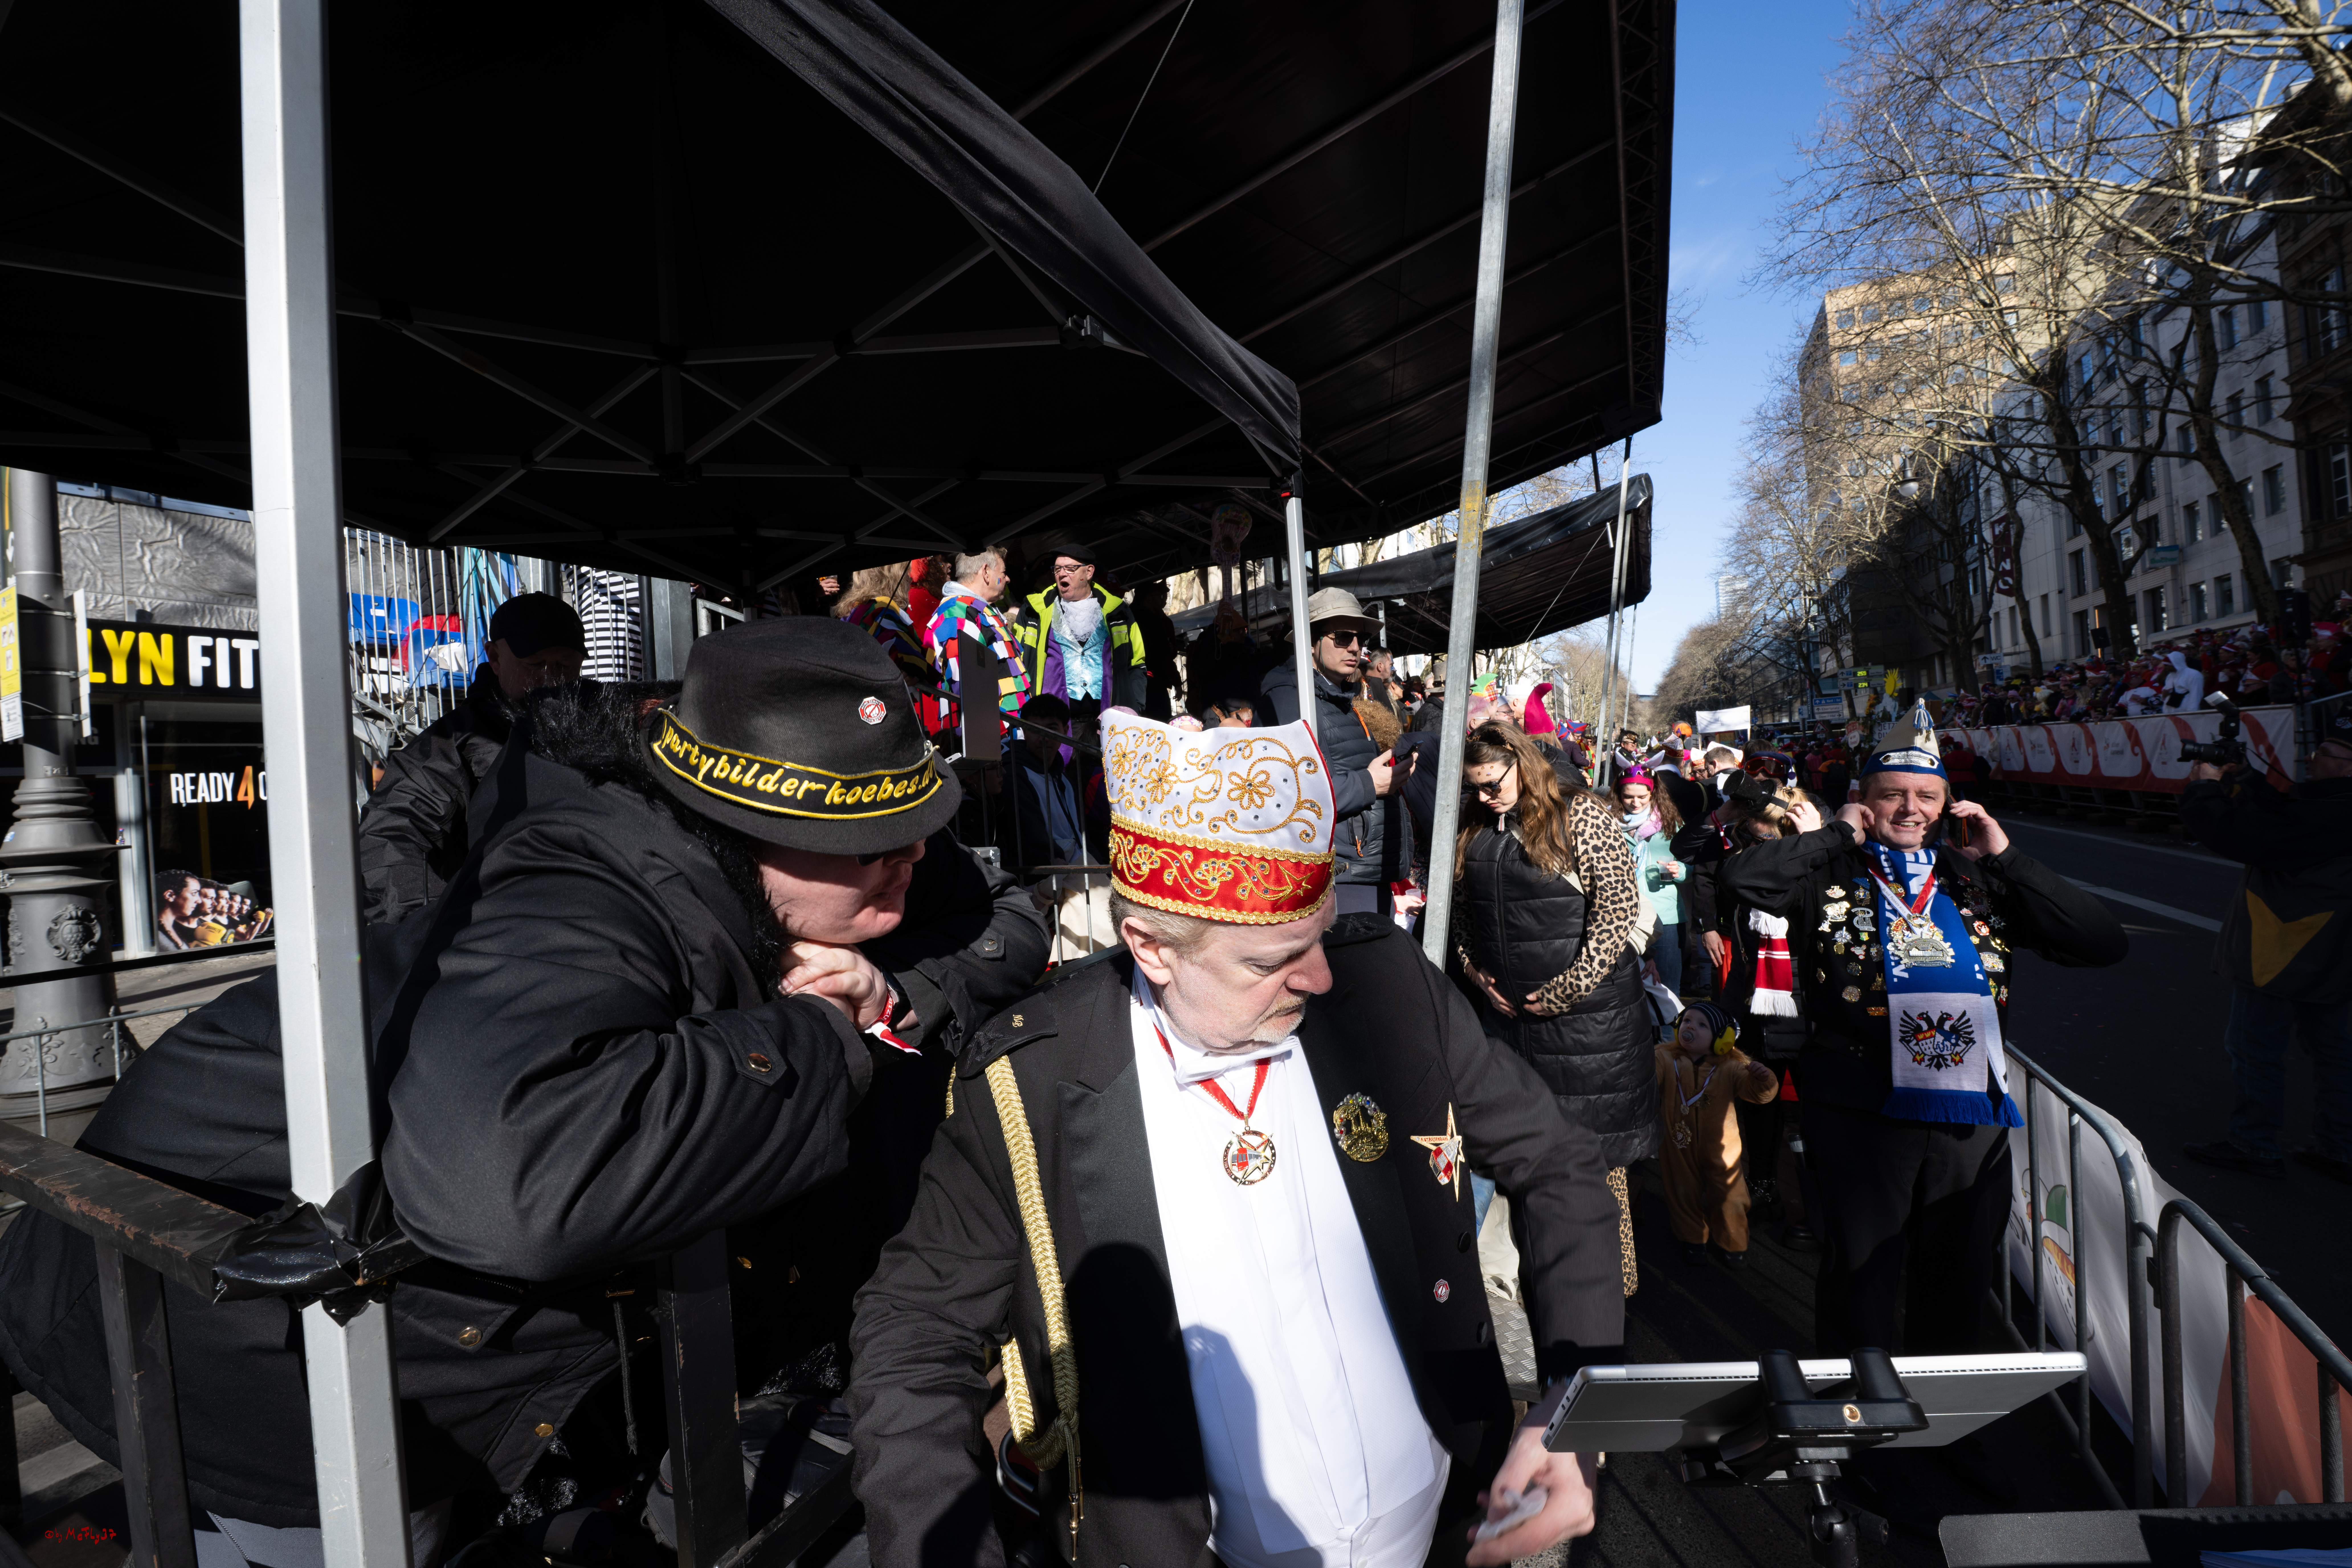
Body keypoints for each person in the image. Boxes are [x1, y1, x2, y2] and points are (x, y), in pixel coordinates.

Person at [0, 621, 1051, 1553]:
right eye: (859, 841)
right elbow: (517, 1186)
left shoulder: (835, 882)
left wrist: (899, 991)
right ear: (737, 826)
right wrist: (826, 1033)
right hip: (219, 1351)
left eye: (910, 820)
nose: (907, 852)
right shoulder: (587, 888)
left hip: (393, 1362)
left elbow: (998, 917)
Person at [848, 711, 1625, 1568]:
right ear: (1150, 946)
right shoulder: (1028, 1075)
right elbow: (913, 1331)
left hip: (1452, 1530)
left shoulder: (1386, 986)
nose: (1319, 976)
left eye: (1318, 934)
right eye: (1268, 962)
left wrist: (1572, 1415)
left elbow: (1559, 1164)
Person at [1718, 704, 2126, 1354]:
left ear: (1948, 805)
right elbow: (1741, 877)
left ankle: (1945, 1442)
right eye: (1892, 796)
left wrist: (2009, 856)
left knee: (1958, 1279)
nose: (1910, 809)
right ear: (1864, 802)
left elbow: (2102, 942)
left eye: (1926, 797)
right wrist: (1835, 835)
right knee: (1862, 1277)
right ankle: (1862, 1422)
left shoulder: (1975, 878)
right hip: (1860, 1102)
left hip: (1967, 1111)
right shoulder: (1829, 869)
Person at [1453, 720, 1654, 1299]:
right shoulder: (1475, 822)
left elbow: (1618, 907)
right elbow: (1461, 911)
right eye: (1476, 786)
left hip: (1592, 1030)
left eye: (1494, 782)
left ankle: (1611, 1301)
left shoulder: (1581, 815)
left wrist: (1571, 987)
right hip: (1513, 1026)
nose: (1486, 794)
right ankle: (1543, 1294)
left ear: (1522, 763)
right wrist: (1472, 969)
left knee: (1598, 1168)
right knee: (1529, 1160)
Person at [2179, 707, 2352, 1183]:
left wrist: (2204, 788)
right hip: (2332, 953)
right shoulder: (2332, 806)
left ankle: (2253, 1142)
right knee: (2334, 1048)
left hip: (2286, 945)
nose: (2313, 758)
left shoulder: (2334, 812)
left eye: (2327, 753)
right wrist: (2247, 778)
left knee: (2255, 1045)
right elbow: (2289, 813)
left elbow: (2251, 834)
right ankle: (2341, 1145)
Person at [355, 591, 586, 923]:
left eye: (565, 665)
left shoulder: (601, 730)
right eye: (534, 664)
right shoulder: (447, 748)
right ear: (494, 656)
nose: (550, 677)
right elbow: (390, 837)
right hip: (499, 934)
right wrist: (436, 931)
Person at [1260, 587, 1411, 915]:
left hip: (1368, 869)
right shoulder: (1290, 697)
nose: (1356, 647)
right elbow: (1298, 793)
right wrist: (1371, 784)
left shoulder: (1347, 695)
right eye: (1343, 637)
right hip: (1336, 877)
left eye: (1360, 639)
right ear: (1310, 642)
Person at [1655, 1000, 1781, 1267]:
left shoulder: (1731, 1068)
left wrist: (1763, 1079)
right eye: (1687, 1021)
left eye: (1703, 1025)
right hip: (1678, 1145)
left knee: (1730, 1196)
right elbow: (1647, 1077)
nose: (1691, 1027)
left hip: (1722, 1147)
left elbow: (1759, 1096)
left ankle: (1734, 1242)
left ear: (1722, 1040)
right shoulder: (1665, 1058)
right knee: (1682, 1192)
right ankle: (1693, 1239)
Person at [1012, 543, 1148, 728]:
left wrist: (1136, 708)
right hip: (1052, 726)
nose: (1062, 574)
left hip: (1107, 724)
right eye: (1057, 569)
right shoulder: (1034, 610)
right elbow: (1017, 662)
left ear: (1089, 572)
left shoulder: (1118, 612)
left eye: (1070, 569)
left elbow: (1137, 664)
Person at [920, 548, 1030, 742]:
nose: (1008, 579)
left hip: (1011, 740)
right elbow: (971, 690)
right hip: (996, 745)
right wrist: (994, 744)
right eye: (1004, 573)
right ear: (986, 572)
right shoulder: (958, 613)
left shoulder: (976, 609)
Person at [1000, 692, 1103, 869]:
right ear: (1024, 731)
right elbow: (1030, 837)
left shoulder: (1066, 781)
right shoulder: (1015, 774)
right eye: (1034, 730)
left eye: (1052, 729)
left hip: (1078, 870)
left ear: (1065, 731)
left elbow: (1082, 835)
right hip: (1047, 875)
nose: (1043, 738)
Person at [1617, 767, 1688, 998]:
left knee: (1668, 988)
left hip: (1664, 915)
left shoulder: (1669, 822)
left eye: (1642, 796)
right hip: (1623, 914)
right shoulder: (1608, 823)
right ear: (1619, 794)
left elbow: (1690, 864)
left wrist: (1680, 871)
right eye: (1628, 796)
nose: (1635, 803)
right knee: (1630, 988)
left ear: (1653, 793)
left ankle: (1668, 1035)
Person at [1128, 579, 1182, 721]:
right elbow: (1162, 655)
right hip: (1152, 682)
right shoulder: (1152, 621)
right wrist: (1177, 681)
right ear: (1150, 599)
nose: (1163, 601)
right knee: (1160, 724)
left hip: (1130, 681)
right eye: (1160, 597)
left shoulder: (1128, 616)